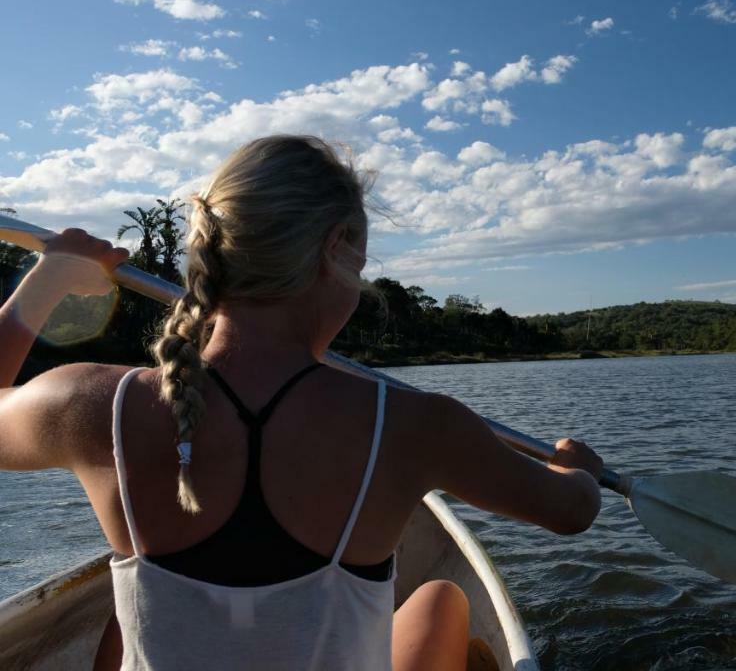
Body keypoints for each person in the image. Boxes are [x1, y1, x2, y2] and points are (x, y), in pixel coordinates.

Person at [0, 135, 604, 671]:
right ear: (336, 246)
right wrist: (578, 470)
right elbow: (570, 511)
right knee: (444, 601)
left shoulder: (91, 403)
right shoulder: (416, 428)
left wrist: (48, 278)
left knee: (120, 620)